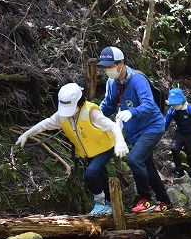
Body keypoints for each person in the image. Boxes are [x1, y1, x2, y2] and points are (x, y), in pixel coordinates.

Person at [16, 83, 129, 215]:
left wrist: (120, 141)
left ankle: (100, 203)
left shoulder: (91, 113)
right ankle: (111, 205)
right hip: (89, 152)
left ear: (79, 102)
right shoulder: (62, 116)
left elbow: (112, 126)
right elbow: (45, 124)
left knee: (91, 174)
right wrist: (27, 134)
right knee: (101, 176)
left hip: (105, 148)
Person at [96, 46, 172, 213]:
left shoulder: (137, 79)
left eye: (111, 66)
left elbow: (149, 105)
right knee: (147, 165)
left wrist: (131, 111)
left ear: (121, 63)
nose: (108, 70)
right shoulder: (112, 82)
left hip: (152, 127)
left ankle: (146, 199)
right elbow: (108, 105)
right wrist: (95, 118)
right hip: (134, 132)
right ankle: (165, 201)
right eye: (105, 67)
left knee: (134, 159)